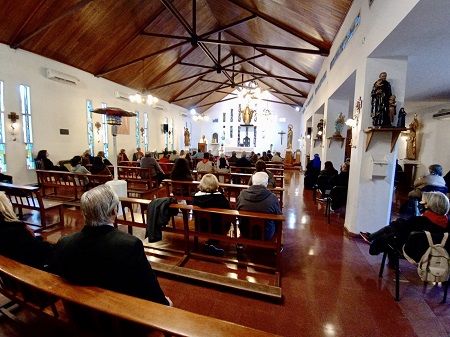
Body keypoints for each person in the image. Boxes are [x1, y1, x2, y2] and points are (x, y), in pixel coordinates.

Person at [49, 185, 171, 306]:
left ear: (84, 212)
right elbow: (148, 287)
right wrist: (165, 303)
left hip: (81, 314)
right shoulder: (129, 245)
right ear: (114, 211)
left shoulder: (64, 243)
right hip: (118, 317)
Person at [361, 191, 450, 268]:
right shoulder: (447, 223)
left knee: (392, 235)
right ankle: (375, 242)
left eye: (423, 201)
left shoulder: (418, 221)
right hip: (440, 255)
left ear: (427, 205)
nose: (420, 203)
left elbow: (401, 234)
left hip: (414, 252)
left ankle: (374, 246)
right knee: (395, 229)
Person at [0, 191, 53, 270]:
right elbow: (42, 251)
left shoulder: (10, 228)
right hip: (30, 272)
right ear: (6, 207)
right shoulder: (14, 232)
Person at [193, 174, 232, 256]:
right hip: (218, 228)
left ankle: (210, 243)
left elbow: (194, 213)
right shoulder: (220, 198)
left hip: (201, 226)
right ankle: (213, 244)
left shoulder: (196, 198)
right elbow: (229, 212)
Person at [236, 172, 282, 241]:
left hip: (245, 232)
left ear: (252, 182)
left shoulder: (242, 195)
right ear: (266, 184)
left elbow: (237, 211)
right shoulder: (272, 198)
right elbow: (278, 217)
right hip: (266, 233)